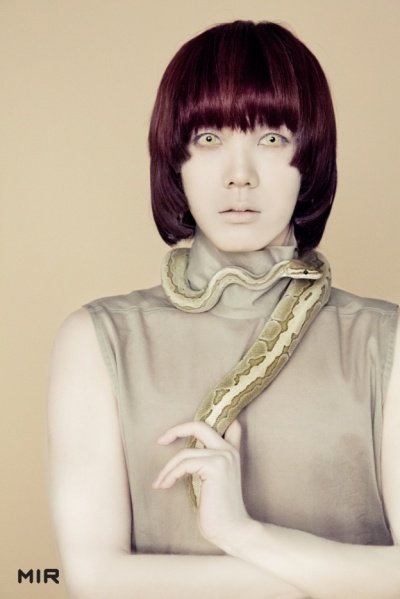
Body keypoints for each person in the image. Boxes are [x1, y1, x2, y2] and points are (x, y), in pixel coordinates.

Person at [47, 20, 400, 599]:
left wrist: (243, 534)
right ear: (175, 161)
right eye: (209, 138)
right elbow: (96, 579)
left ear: (310, 157)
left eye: (272, 139)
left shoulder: (385, 341)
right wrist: (331, 577)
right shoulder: (98, 339)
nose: (240, 176)